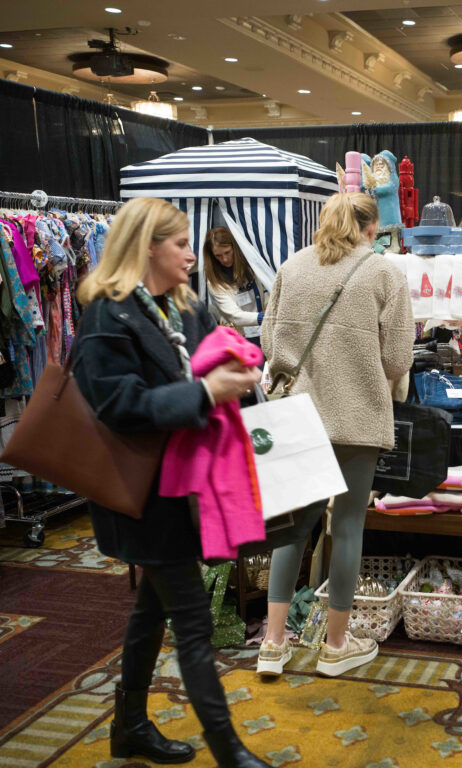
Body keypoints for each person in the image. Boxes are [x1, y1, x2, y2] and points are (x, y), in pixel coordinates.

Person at [73, 198, 270, 767]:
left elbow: (211, 361)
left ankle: (129, 725)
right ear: (147, 247)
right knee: (191, 618)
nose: (195, 253)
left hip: (185, 489)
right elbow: (118, 405)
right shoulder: (107, 315)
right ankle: (229, 750)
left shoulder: (181, 307)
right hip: (140, 495)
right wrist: (206, 393)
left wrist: (239, 370)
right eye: (181, 243)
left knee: (152, 611)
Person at [258, 192, 414, 677]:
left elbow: (268, 342)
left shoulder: (291, 267)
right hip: (357, 418)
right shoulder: (386, 272)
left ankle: (272, 645)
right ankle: (336, 647)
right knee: (347, 529)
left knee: (291, 530)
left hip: (298, 415)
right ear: (371, 229)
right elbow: (397, 362)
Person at [203, 226, 265, 343]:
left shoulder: (251, 265)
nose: (225, 259)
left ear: (234, 248)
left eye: (227, 252)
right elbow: (234, 316)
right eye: (218, 256)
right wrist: (266, 317)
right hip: (239, 337)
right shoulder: (214, 280)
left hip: (263, 331)